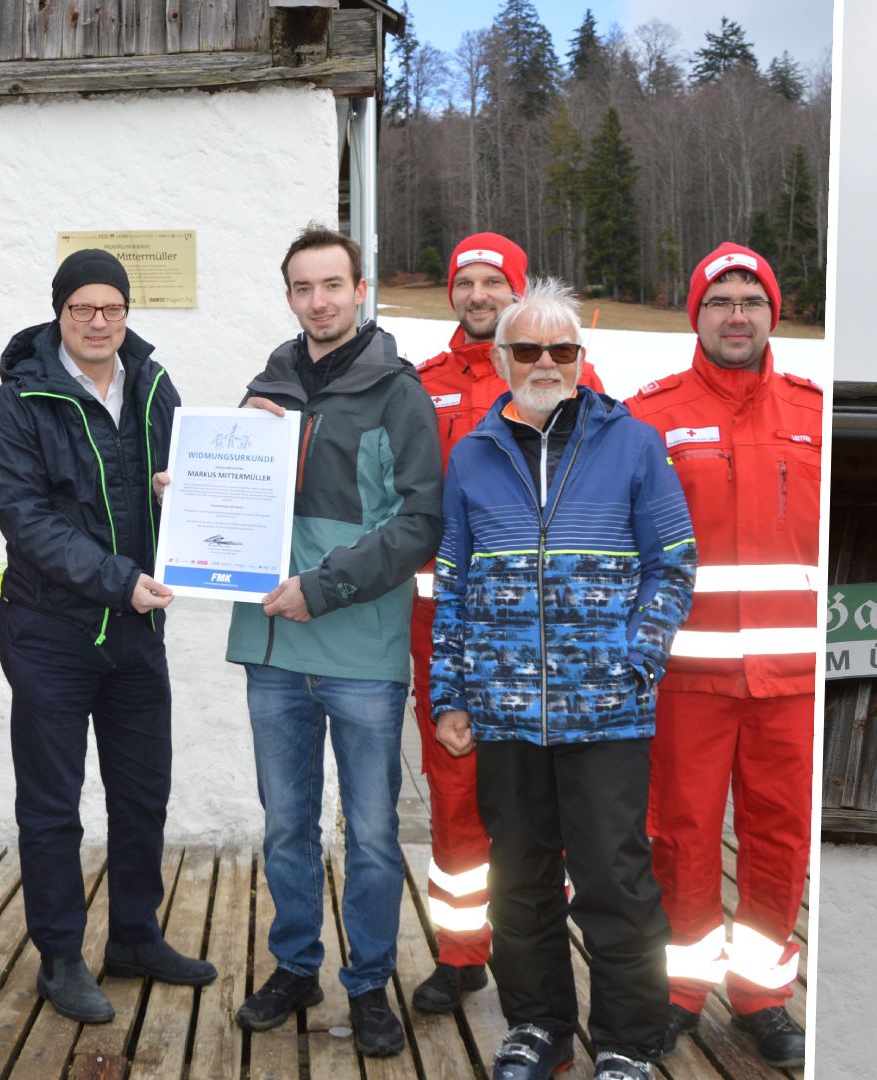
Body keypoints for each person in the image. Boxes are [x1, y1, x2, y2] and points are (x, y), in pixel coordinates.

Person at [431, 277, 696, 1080]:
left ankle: (627, 1040)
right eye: (528, 349)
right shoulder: (472, 455)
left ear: (581, 357)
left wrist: (637, 658)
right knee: (520, 880)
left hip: (606, 711)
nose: (545, 362)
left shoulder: (633, 443)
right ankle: (539, 1026)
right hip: (506, 710)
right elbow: (453, 581)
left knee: (615, 878)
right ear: (501, 359)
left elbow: (674, 564)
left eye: (562, 349)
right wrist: (450, 692)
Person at [225, 224, 442, 1057]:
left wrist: (322, 588)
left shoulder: (397, 392)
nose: (318, 301)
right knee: (287, 825)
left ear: (360, 291)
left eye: (332, 285)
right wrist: (193, 488)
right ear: (289, 296)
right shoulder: (265, 387)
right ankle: (295, 966)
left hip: (360, 653)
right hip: (272, 651)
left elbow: (418, 524)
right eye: (303, 288)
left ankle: (369, 981)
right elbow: (239, 498)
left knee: (374, 834)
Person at [0, 249, 216, 1025]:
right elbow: (27, 521)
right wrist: (120, 580)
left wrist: (180, 495)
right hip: (50, 631)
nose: (97, 321)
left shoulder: (153, 384)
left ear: (125, 312)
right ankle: (59, 958)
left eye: (111, 307)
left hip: (137, 631)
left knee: (142, 793)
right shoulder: (20, 400)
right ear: (59, 313)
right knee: (53, 805)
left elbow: (189, 480)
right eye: (81, 307)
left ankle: (135, 938)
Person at [626, 244, 821, 1068]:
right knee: (682, 838)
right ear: (695, 315)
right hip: (688, 679)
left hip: (794, 683)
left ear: (773, 312)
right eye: (719, 301)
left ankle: (763, 998)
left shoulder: (817, 414)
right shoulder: (650, 417)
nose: (736, 315)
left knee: (780, 840)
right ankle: (679, 993)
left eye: (751, 300)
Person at [406, 233, 607, 1013]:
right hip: (448, 624)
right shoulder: (422, 387)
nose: (479, 295)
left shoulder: (565, 375)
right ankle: (461, 953)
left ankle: (541, 953)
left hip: (547, 631)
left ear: (518, 291)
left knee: (543, 796)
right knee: (455, 789)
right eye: (467, 282)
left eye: (495, 281)